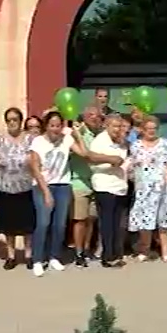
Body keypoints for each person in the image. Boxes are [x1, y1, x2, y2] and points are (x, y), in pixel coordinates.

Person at [29, 111, 85, 277]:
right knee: (43, 223)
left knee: (60, 224)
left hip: (63, 185)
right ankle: (38, 259)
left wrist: (76, 135)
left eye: (58, 125)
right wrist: (46, 192)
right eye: (52, 125)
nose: (55, 129)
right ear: (46, 126)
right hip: (42, 186)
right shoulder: (38, 142)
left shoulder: (66, 140)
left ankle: (54, 256)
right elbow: (35, 168)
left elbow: (83, 153)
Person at [128, 116, 167, 262]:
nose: (151, 131)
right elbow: (131, 166)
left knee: (163, 220)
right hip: (144, 188)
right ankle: (145, 249)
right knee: (145, 220)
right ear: (143, 130)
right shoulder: (136, 145)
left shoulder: (165, 144)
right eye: (148, 128)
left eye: (154, 128)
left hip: (162, 188)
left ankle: (165, 251)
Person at [0, 108, 37, 269]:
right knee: (9, 225)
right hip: (6, 188)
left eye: (15, 119)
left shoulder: (30, 139)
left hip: (26, 188)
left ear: (20, 121)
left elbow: (34, 161)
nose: (12, 123)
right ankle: (11, 256)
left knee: (27, 225)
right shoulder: (0, 140)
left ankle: (28, 255)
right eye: (9, 120)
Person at [89, 115, 129, 267]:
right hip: (104, 186)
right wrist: (110, 159)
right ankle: (107, 256)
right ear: (106, 126)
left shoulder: (121, 142)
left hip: (119, 186)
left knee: (116, 223)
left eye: (119, 126)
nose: (117, 129)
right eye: (114, 126)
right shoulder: (100, 140)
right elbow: (91, 158)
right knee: (107, 222)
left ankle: (115, 252)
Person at [68, 107, 102, 266]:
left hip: (96, 181)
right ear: (84, 117)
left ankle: (87, 248)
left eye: (97, 115)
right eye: (91, 115)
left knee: (91, 218)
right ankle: (78, 252)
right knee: (79, 219)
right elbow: (87, 155)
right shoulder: (77, 133)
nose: (95, 118)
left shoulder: (101, 134)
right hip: (79, 181)